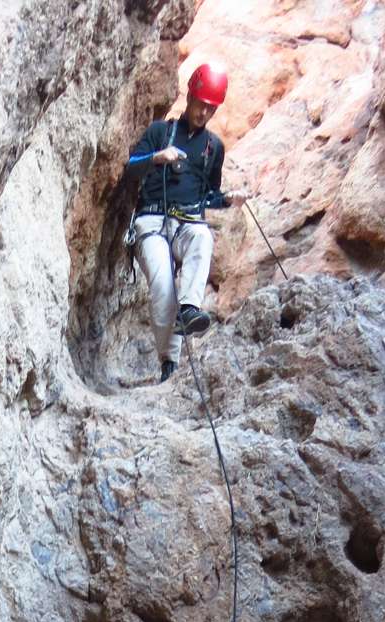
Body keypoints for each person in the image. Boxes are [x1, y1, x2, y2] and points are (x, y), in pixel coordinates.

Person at [126, 61, 246, 382]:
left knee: (203, 237)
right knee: (163, 287)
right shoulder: (159, 132)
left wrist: (227, 200)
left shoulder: (212, 148)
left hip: (187, 223)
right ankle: (169, 363)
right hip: (152, 222)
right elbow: (130, 167)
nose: (204, 113)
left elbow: (208, 196)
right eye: (201, 104)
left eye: (211, 108)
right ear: (190, 96)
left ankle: (190, 308)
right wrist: (157, 157)